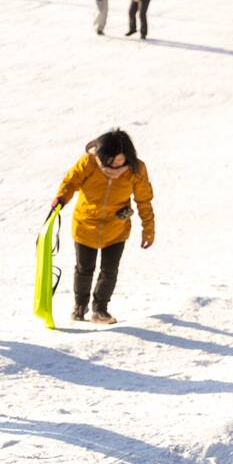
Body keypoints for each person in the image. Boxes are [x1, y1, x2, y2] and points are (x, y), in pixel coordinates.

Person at [51, 129, 154, 324]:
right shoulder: (89, 162)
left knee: (110, 270)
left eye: (122, 160)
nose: (118, 165)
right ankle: (80, 307)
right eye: (114, 160)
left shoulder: (136, 170)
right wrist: (61, 199)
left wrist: (148, 229)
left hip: (117, 226)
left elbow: (144, 200)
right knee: (84, 268)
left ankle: (100, 309)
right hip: (85, 224)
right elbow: (70, 182)